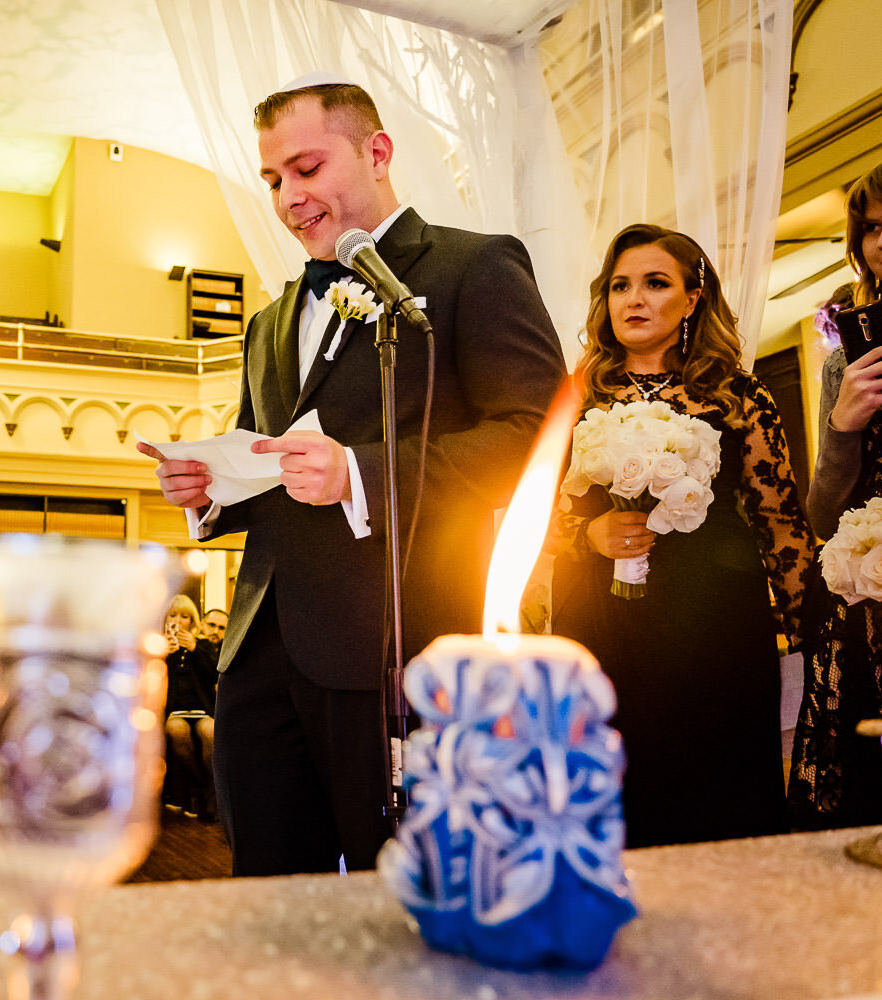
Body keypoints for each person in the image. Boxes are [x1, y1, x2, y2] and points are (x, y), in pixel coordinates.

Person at [138, 79, 565, 876]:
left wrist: (360, 473)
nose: (288, 198)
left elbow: (536, 433)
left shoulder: (474, 265)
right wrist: (209, 489)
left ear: (377, 151)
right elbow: (269, 459)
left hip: (395, 643)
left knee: (399, 886)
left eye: (305, 168)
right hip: (258, 652)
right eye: (271, 180)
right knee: (268, 891)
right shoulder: (268, 321)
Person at [549, 223, 815, 848]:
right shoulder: (575, 394)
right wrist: (590, 534)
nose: (633, 300)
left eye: (655, 284)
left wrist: (816, 635)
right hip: (599, 625)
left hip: (713, 625)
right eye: (620, 286)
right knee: (611, 792)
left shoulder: (736, 395)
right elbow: (527, 517)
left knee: (716, 792)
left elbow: (779, 521)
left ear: (693, 299)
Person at [789, 149, 882, 830]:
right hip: (874, 606)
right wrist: (843, 425)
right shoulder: (849, 356)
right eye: (872, 228)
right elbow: (822, 516)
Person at [162, 595, 218, 819]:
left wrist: (194, 648)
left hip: (201, 707)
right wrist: (166, 653)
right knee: (177, 731)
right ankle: (203, 785)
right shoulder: (158, 643)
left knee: (210, 732)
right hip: (175, 709)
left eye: (184, 616)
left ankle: (211, 794)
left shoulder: (203, 644)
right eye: (173, 615)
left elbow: (215, 673)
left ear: (192, 621)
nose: (178, 621)